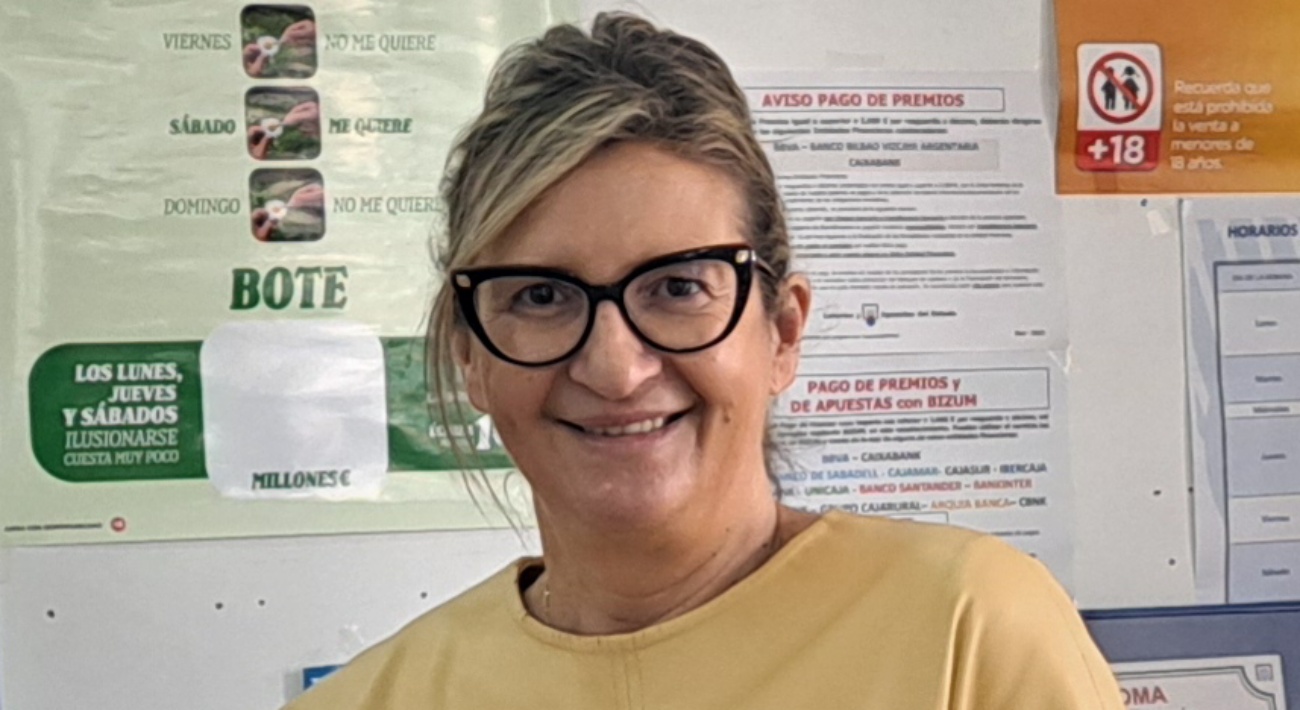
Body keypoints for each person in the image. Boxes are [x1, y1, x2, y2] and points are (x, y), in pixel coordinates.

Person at [286, 13, 1124, 709]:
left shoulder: (967, 636)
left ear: (782, 332)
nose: (614, 368)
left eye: (678, 287)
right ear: (470, 354)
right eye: (541, 296)